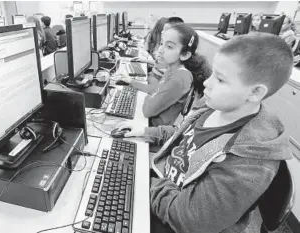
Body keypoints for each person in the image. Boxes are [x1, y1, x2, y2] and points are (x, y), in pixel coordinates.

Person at [118, 33, 293, 233]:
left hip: (174, 221)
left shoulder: (249, 161)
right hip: (161, 193)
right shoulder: (214, 108)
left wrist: (143, 181)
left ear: (254, 93)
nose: (207, 83)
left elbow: (189, 220)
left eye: (220, 79)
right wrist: (144, 130)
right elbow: (183, 135)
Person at [119, 23, 211, 126]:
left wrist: (145, 97)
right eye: (162, 43)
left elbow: (148, 111)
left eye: (169, 46)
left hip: (153, 128)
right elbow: (155, 90)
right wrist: (132, 82)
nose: (160, 50)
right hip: (150, 122)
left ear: (184, 55)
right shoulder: (172, 69)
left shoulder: (179, 78)